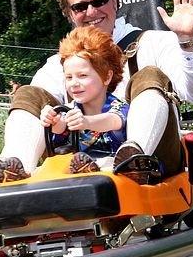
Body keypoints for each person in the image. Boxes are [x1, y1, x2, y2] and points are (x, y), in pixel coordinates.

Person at [0, 0, 193, 185]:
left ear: (115, 2)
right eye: (80, 6)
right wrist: (50, 117)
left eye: (99, 1)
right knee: (30, 94)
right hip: (81, 165)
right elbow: (39, 110)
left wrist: (187, 41)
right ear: (69, 14)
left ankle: (134, 160)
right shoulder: (59, 65)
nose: (92, 12)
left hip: (157, 166)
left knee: (148, 75)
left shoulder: (154, 44)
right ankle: (12, 169)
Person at [40, 26, 128, 174]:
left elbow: (113, 121)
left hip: (112, 170)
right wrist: (53, 121)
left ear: (107, 77)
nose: (74, 83)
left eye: (82, 76)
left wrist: (86, 122)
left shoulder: (118, 107)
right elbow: (62, 126)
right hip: (77, 174)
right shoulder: (69, 109)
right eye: (69, 77)